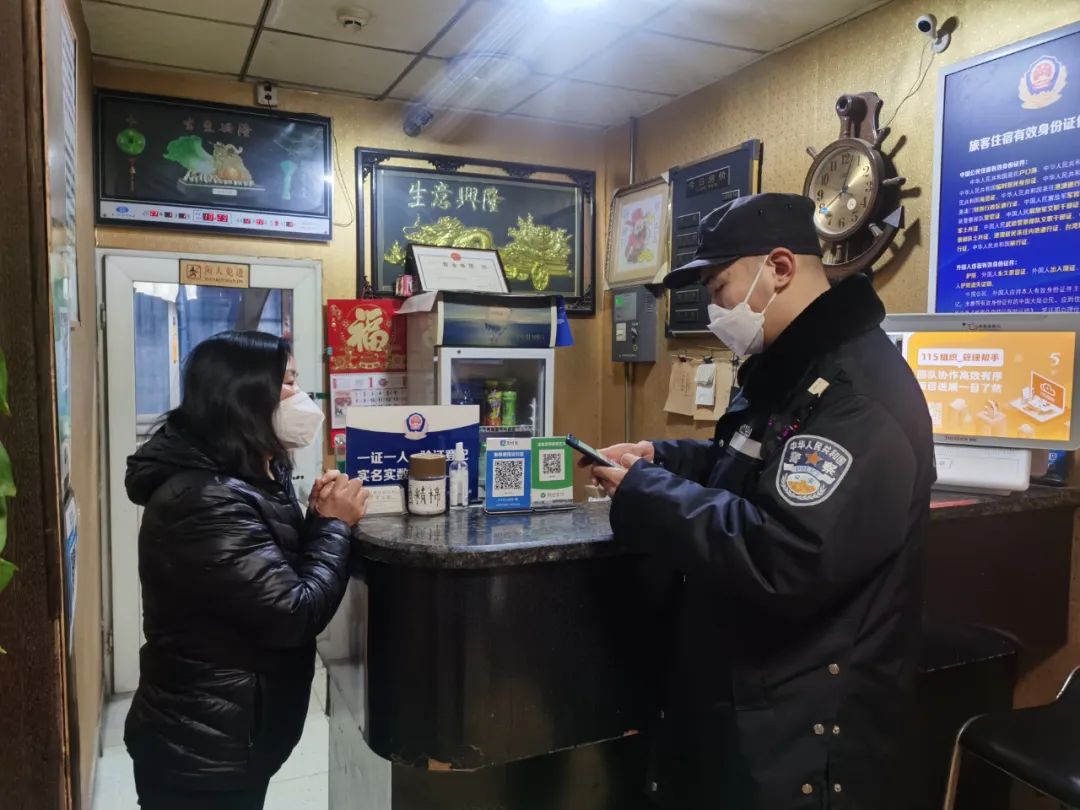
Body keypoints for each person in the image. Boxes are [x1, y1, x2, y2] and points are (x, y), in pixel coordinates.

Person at [588, 194, 936, 810]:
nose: (716, 311)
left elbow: (785, 552)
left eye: (719, 289)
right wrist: (663, 459)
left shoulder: (857, 395)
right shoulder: (793, 366)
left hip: (809, 715)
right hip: (756, 682)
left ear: (778, 267)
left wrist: (645, 495)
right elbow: (752, 461)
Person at [124, 331, 370, 810]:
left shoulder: (250, 473)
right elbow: (293, 612)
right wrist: (336, 524)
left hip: (229, 734)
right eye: (289, 383)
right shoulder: (205, 499)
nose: (302, 398)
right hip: (201, 752)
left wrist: (319, 517)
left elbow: (272, 571)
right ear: (243, 396)